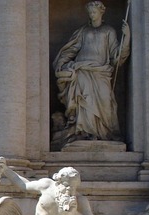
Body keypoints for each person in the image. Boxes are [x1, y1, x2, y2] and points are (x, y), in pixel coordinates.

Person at [53, 1, 130, 142]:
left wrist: (127, 37)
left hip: (101, 72)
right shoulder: (83, 31)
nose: (92, 15)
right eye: (90, 13)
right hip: (82, 70)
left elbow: (117, 56)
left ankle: (105, 134)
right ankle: (83, 131)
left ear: (101, 12)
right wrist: (61, 62)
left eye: (94, 12)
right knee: (84, 100)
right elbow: (71, 49)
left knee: (106, 102)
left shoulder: (109, 31)